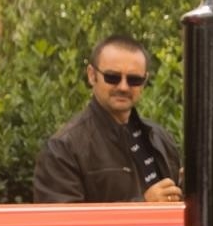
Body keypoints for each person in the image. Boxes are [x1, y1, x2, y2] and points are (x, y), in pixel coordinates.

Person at [33, 34, 182, 204]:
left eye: (134, 79)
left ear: (144, 81)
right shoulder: (63, 149)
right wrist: (142, 206)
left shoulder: (160, 138)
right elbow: (62, 225)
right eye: (112, 77)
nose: (123, 87)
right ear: (91, 75)